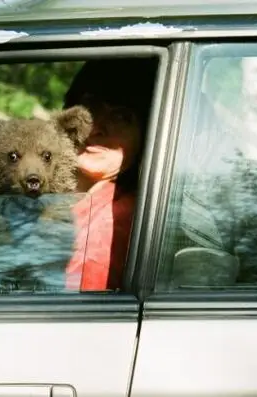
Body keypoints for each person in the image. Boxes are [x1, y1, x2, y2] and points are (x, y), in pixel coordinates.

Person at [63, 58, 158, 291]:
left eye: (121, 117)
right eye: (89, 109)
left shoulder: (114, 223)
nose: (96, 127)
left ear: (145, 137)